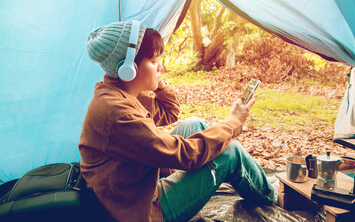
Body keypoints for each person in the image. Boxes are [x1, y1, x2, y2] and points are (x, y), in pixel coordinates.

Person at [79, 21, 278, 222]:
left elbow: (169, 112)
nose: (161, 67)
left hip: (133, 183)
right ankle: (270, 194)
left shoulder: (120, 92)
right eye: (155, 61)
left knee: (194, 124)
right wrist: (232, 123)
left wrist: (155, 80)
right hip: (139, 207)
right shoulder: (118, 112)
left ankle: (252, 179)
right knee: (230, 152)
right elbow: (185, 155)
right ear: (128, 69)